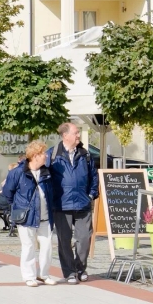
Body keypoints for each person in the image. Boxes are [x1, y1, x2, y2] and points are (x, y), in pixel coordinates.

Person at [46, 122, 99, 284]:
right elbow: (45, 178)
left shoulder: (85, 154)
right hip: (61, 205)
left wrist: (91, 194)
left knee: (84, 238)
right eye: (76, 133)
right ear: (65, 135)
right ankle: (69, 272)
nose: (78, 136)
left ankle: (80, 268)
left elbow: (94, 176)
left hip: (83, 203)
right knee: (65, 240)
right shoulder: (53, 154)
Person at [3, 140, 61, 287]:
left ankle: (43, 274)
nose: (46, 156)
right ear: (35, 155)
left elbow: (51, 192)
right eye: (43, 154)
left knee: (47, 246)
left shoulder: (46, 172)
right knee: (28, 246)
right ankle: (29, 276)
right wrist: (17, 207)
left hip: (45, 216)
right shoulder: (18, 172)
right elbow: (7, 193)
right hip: (26, 216)